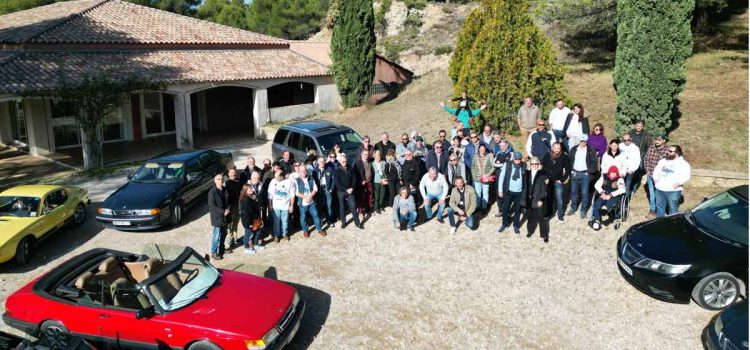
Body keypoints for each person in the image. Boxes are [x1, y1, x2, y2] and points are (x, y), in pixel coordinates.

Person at [653, 145, 691, 217]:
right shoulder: (663, 161)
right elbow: (656, 170)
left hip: (673, 190)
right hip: (660, 189)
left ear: (677, 153)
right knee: (660, 208)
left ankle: (672, 224)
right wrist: (655, 180)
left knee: (673, 209)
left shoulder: (683, 164)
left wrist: (677, 183)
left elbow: (686, 175)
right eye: (667, 150)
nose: (667, 152)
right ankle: (659, 223)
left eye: (670, 151)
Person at [567, 135, 598, 219]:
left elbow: (594, 163)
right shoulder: (573, 149)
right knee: (574, 192)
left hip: (585, 174)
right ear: (579, 141)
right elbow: (569, 161)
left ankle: (583, 210)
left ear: (586, 141)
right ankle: (573, 207)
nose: (582, 142)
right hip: (575, 173)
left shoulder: (591, 150)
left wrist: (589, 172)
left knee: (585, 193)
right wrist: (571, 171)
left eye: (584, 141)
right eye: (581, 141)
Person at [589, 166, 626, 230]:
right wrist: (602, 192)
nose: (613, 174)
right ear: (609, 172)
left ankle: (606, 209)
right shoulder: (604, 176)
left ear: (617, 173)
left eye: (614, 173)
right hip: (604, 193)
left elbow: (623, 189)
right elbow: (596, 185)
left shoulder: (620, 179)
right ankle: (597, 220)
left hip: (614, 195)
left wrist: (610, 195)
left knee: (610, 202)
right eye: (611, 172)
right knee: (597, 203)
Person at [523, 157, 550, 242]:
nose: (534, 165)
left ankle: (544, 234)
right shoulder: (526, 173)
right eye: (532, 164)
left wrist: (541, 200)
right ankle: (530, 231)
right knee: (530, 216)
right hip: (529, 199)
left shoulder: (543, 174)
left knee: (542, 218)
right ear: (530, 164)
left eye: (536, 164)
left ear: (539, 164)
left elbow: (544, 188)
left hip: (538, 199)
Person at [497, 153, 525, 234]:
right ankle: (504, 224)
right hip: (508, 191)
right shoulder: (507, 164)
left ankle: (516, 225)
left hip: (519, 192)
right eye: (516, 159)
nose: (517, 160)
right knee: (505, 209)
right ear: (513, 159)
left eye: (519, 159)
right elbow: (501, 177)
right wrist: (500, 190)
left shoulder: (524, 165)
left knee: (517, 209)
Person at [295, 166, 326, 238]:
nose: (304, 172)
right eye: (302, 171)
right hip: (302, 203)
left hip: (311, 202)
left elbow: (315, 189)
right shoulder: (297, 180)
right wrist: (306, 197)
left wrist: (310, 196)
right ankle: (305, 231)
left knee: (316, 215)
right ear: (299, 172)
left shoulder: (311, 178)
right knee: (303, 218)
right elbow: (296, 193)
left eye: (305, 170)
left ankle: (319, 229)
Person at [542, 142, 570, 222]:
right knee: (549, 198)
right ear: (552, 148)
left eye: (558, 148)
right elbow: (542, 167)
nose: (557, 150)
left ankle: (560, 215)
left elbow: (568, 169)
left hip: (558, 180)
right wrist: (545, 177)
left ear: (561, 148)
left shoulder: (564, 157)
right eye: (555, 148)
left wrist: (562, 179)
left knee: (559, 199)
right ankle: (549, 213)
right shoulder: (547, 155)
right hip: (548, 180)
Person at [335, 154, 364, 229]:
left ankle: (357, 223)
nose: (345, 162)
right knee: (342, 207)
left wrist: (352, 188)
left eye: (346, 161)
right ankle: (343, 222)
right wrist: (346, 189)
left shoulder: (350, 168)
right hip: (342, 191)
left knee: (353, 206)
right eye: (343, 161)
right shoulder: (337, 170)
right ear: (340, 162)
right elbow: (338, 183)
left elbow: (354, 179)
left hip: (351, 190)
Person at [643, 133, 669, 219]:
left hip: (660, 178)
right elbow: (646, 158)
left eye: (659, 140)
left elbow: (668, 165)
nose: (656, 141)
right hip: (650, 175)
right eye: (656, 139)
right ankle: (652, 209)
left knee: (660, 194)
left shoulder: (667, 151)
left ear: (664, 141)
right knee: (652, 193)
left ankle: (660, 210)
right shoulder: (651, 147)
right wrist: (647, 169)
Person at [268, 169, 295, 242]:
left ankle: (285, 234)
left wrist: (291, 205)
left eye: (277, 177)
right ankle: (277, 235)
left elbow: (292, 195)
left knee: (285, 221)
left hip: (285, 206)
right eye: (275, 177)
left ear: (282, 176)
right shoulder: (273, 181)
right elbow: (270, 194)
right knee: (276, 221)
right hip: (276, 206)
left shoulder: (289, 182)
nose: (275, 179)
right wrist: (269, 204)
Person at [207, 173, 230, 260]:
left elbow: (229, 201)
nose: (220, 181)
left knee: (224, 234)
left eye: (221, 179)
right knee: (216, 236)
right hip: (217, 217)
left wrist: (227, 210)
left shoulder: (225, 189)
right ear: (215, 181)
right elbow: (212, 206)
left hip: (225, 216)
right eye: (218, 179)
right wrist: (223, 211)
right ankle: (213, 252)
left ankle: (221, 249)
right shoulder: (212, 192)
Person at [629, 120, 652, 199]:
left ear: (643, 127)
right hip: (630, 156)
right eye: (637, 125)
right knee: (629, 172)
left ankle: (633, 189)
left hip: (640, 157)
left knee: (636, 174)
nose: (638, 127)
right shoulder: (630, 133)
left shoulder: (647, 135)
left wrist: (645, 156)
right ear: (635, 125)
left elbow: (649, 147)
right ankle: (627, 187)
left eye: (640, 126)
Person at [312, 156, 337, 227]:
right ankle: (320, 221)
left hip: (327, 190)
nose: (322, 163)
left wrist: (331, 189)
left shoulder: (329, 169)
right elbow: (313, 182)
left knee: (329, 206)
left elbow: (334, 180)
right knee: (319, 207)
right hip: (319, 191)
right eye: (320, 162)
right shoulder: (315, 171)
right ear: (317, 163)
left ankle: (329, 220)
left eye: (323, 161)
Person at [239, 184, 263, 254]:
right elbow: (246, 213)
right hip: (250, 221)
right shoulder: (245, 200)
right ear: (245, 191)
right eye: (250, 189)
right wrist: (249, 223)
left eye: (251, 188)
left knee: (257, 231)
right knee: (248, 234)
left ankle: (255, 244)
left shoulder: (250, 197)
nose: (252, 190)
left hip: (255, 219)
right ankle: (246, 248)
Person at [492, 142, 515, 216]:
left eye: (504, 146)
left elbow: (509, 163)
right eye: (501, 146)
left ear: (507, 146)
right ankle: (501, 210)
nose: (502, 147)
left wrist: (500, 164)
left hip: (506, 175)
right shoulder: (498, 153)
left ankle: (507, 211)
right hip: (498, 174)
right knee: (498, 191)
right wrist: (502, 164)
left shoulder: (511, 153)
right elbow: (494, 163)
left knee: (506, 193)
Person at [224, 168, 243, 250]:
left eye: (234, 173)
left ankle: (235, 239)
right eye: (231, 173)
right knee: (230, 224)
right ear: (228, 174)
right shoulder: (226, 183)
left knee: (236, 222)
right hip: (229, 206)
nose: (233, 174)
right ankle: (230, 241)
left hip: (237, 205)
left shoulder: (239, 182)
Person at [471, 144, 494, 211]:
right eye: (481, 149)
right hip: (477, 178)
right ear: (479, 149)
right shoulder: (475, 156)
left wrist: (488, 174)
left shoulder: (489, 156)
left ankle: (484, 207)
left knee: (485, 193)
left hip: (486, 179)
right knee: (478, 193)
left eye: (484, 149)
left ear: (485, 149)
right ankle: (478, 206)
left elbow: (493, 167)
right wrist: (474, 176)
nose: (482, 150)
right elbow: (472, 167)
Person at [354, 149, 374, 218]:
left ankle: (368, 210)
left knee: (369, 196)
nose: (366, 156)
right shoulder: (358, 162)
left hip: (369, 182)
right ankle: (360, 211)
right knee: (361, 197)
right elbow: (356, 174)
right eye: (365, 154)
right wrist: (361, 180)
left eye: (367, 154)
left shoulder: (369, 161)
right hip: (362, 183)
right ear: (361, 154)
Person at [372, 150, 388, 214]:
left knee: (382, 194)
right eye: (376, 156)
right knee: (377, 195)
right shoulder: (372, 163)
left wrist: (386, 179)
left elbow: (386, 171)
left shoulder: (383, 162)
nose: (378, 157)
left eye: (379, 156)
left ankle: (381, 206)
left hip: (383, 180)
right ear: (374, 156)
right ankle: (376, 207)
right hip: (376, 181)